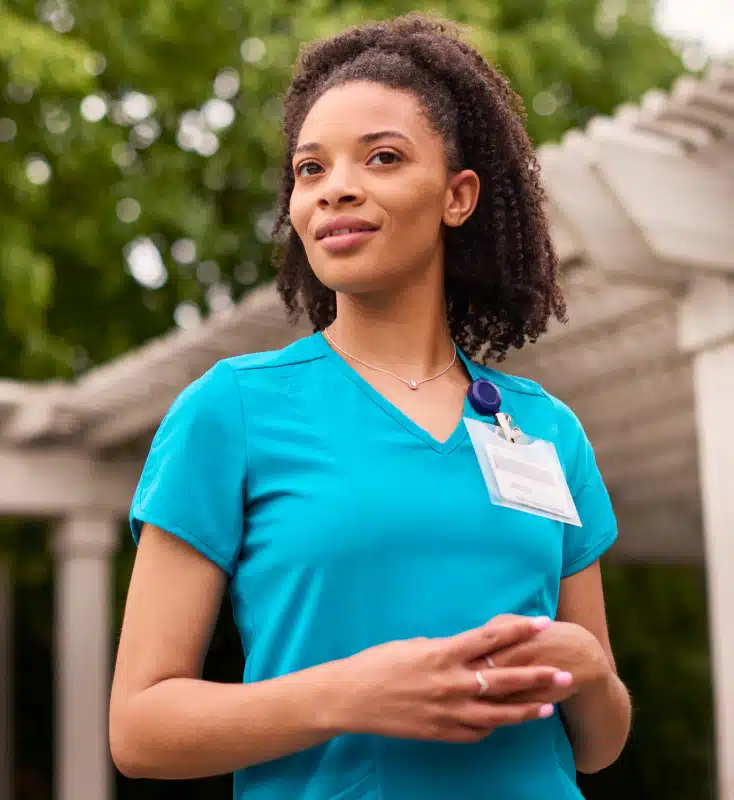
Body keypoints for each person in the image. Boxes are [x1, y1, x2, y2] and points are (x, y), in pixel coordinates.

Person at [109, 14, 631, 799]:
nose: (335, 188)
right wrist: (351, 694)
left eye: (382, 157)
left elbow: (599, 747)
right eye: (310, 170)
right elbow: (140, 731)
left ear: (458, 197)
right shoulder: (231, 411)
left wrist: (590, 672)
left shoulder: (548, 430)